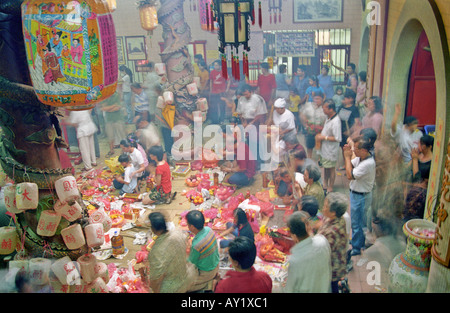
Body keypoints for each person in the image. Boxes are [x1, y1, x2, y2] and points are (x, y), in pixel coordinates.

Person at [147, 212, 196, 293]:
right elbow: (188, 246)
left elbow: (156, 280)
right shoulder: (178, 233)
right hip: (187, 276)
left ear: (153, 229)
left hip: (174, 287)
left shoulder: (156, 251)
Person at [343, 136, 376, 257]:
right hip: (357, 193)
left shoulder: (368, 163)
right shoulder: (361, 158)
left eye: (356, 149)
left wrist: (346, 156)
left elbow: (349, 175)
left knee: (357, 223)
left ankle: (356, 247)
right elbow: (350, 164)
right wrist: (349, 155)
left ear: (364, 150)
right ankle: (358, 241)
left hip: (361, 196)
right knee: (357, 221)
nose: (353, 151)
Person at [284, 211, 332, 293]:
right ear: (309, 227)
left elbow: (290, 289)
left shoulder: (295, 260)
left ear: (294, 236)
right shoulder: (322, 240)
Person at [318, 192, 349, 293]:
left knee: (331, 287)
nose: (323, 207)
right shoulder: (335, 218)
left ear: (333, 212)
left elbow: (322, 251)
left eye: (326, 206)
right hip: (336, 263)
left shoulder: (332, 232)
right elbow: (322, 224)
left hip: (332, 268)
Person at [186, 210, 220, 292]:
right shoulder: (209, 230)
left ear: (192, 227)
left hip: (207, 272)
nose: (187, 226)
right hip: (216, 264)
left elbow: (192, 262)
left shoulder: (196, 245)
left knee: (184, 286)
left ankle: (210, 284)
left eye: (188, 224)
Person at [316, 99, 341, 193]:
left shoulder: (336, 122)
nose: (323, 110)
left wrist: (323, 137)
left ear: (331, 109)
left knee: (331, 168)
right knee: (326, 167)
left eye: (324, 108)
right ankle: (325, 183)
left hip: (331, 150)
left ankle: (331, 186)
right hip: (325, 149)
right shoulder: (328, 117)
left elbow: (337, 138)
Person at [299, 91, 327, 159]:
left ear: (322, 99)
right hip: (310, 130)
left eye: (318, 99)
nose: (316, 101)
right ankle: (309, 159)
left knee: (321, 146)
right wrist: (306, 126)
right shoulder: (308, 105)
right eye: (315, 99)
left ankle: (321, 160)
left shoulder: (325, 107)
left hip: (321, 131)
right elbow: (302, 115)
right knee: (309, 146)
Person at [338, 89, 361, 168]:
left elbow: (356, 122)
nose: (344, 99)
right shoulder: (341, 107)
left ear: (351, 99)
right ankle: (345, 164)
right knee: (343, 148)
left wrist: (349, 131)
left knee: (351, 149)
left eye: (346, 98)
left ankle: (351, 166)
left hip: (350, 134)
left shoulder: (354, 109)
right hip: (341, 132)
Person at [100, 91, 126, 158]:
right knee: (110, 136)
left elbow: (117, 108)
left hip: (118, 118)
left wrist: (108, 108)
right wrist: (113, 106)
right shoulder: (104, 96)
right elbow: (103, 108)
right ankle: (111, 150)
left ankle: (125, 150)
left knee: (122, 135)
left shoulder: (116, 95)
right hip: (109, 119)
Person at [209, 60, 230, 124]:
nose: (215, 66)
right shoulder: (212, 72)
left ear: (220, 66)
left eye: (216, 65)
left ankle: (221, 120)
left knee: (222, 107)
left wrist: (227, 89)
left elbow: (229, 80)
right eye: (214, 65)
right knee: (214, 107)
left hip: (222, 92)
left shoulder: (224, 72)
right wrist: (210, 90)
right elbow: (211, 81)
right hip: (214, 92)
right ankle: (215, 120)